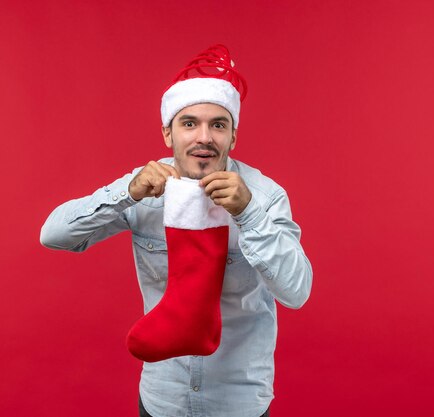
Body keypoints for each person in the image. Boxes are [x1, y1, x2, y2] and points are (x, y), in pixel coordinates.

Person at [40, 45, 312, 417]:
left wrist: (248, 213)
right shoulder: (144, 188)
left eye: (218, 124)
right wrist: (127, 192)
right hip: (162, 400)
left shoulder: (264, 196)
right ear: (168, 134)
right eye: (189, 123)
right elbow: (53, 235)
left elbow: (297, 292)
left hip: (239, 403)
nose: (204, 137)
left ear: (232, 136)